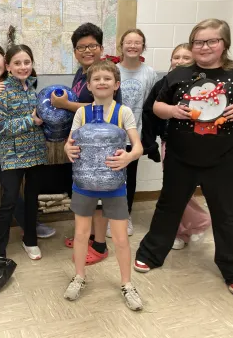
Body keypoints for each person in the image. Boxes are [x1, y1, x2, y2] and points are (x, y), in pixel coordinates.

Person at [134, 19, 233, 297]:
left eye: (211, 41)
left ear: (224, 44)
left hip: (225, 159)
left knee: (227, 214)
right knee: (169, 207)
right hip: (182, 156)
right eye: (198, 42)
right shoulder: (179, 74)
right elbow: (157, 106)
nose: (204, 47)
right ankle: (152, 253)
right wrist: (172, 112)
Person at [63, 60, 143, 310]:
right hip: (84, 183)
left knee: (120, 238)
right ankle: (79, 276)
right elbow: (70, 142)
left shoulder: (123, 112)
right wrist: (67, 148)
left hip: (114, 184)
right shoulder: (82, 113)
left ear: (116, 84)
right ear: (89, 85)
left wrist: (128, 157)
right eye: (96, 79)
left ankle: (127, 283)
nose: (102, 83)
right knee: (80, 234)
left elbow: (138, 147)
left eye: (107, 79)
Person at [0, 41, 56, 238]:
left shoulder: (20, 81)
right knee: (2, 191)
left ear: (4, 60)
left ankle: (30, 227)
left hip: (9, 141)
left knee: (11, 191)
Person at [53, 23, 122, 264]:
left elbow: (102, 108)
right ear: (75, 51)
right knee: (88, 190)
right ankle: (90, 236)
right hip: (86, 145)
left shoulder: (106, 74)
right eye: (81, 47)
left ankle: (101, 245)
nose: (86, 50)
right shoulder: (82, 73)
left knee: (100, 191)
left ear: (101, 48)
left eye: (92, 45)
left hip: (104, 146)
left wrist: (66, 106)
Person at [143, 43, 212, 250]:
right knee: (175, 189)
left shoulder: (203, 86)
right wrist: (150, 144)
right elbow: (149, 112)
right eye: (176, 57)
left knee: (186, 189)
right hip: (170, 143)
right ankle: (184, 230)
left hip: (198, 144)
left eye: (186, 58)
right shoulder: (162, 84)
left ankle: (195, 224)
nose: (180, 61)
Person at [0, 44, 47, 259]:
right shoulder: (2, 90)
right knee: (9, 200)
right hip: (13, 156)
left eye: (27, 62)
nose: (23, 67)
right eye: (17, 63)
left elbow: (41, 119)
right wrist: (30, 120)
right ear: (8, 66)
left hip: (37, 153)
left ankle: (30, 240)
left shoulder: (34, 88)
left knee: (32, 199)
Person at [116, 29, 157, 236]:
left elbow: (151, 107)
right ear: (121, 45)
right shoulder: (113, 70)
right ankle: (109, 217)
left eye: (137, 42)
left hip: (135, 136)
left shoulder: (149, 73)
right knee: (112, 176)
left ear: (143, 46)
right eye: (128, 42)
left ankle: (125, 215)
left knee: (130, 177)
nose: (132, 46)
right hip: (113, 135)